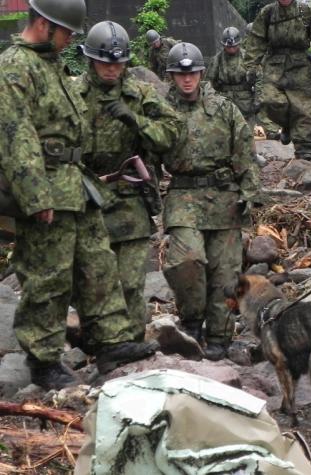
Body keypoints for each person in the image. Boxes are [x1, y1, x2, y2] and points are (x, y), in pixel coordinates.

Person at [0, 0, 159, 389]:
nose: (70, 40)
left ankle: (110, 342)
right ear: (43, 24)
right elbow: (15, 136)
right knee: (48, 275)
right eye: (66, 32)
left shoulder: (51, 64)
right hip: (46, 187)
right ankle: (43, 360)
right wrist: (35, 196)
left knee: (97, 263)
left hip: (75, 183)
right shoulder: (15, 67)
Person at [76, 21, 182, 337]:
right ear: (91, 59)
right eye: (105, 63)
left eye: (119, 64)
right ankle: (102, 342)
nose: (112, 70)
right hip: (85, 195)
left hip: (129, 195)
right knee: (92, 280)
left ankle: (133, 339)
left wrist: (135, 120)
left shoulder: (140, 94)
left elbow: (172, 134)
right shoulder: (73, 94)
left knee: (132, 280)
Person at [162, 42, 261, 361]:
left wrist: (248, 191)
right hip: (183, 196)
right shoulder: (162, 110)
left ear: (202, 73)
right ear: (172, 76)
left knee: (226, 273)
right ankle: (191, 322)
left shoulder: (223, 108)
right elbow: (147, 150)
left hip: (224, 197)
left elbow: (246, 151)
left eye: (192, 72)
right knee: (187, 261)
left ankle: (219, 336)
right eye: (180, 73)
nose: (187, 79)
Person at [243, 0, 311, 160]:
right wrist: (251, 65)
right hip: (274, 65)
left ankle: (305, 151)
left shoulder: (305, 10)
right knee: (269, 100)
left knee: (304, 109)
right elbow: (256, 40)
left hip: (301, 65)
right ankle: (287, 125)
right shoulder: (268, 13)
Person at [206, 27, 258, 130]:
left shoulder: (247, 57)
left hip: (245, 103)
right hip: (224, 102)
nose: (231, 48)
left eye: (234, 46)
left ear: (239, 43)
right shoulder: (217, 59)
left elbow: (259, 79)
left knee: (245, 135)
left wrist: (258, 100)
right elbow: (208, 82)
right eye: (228, 46)